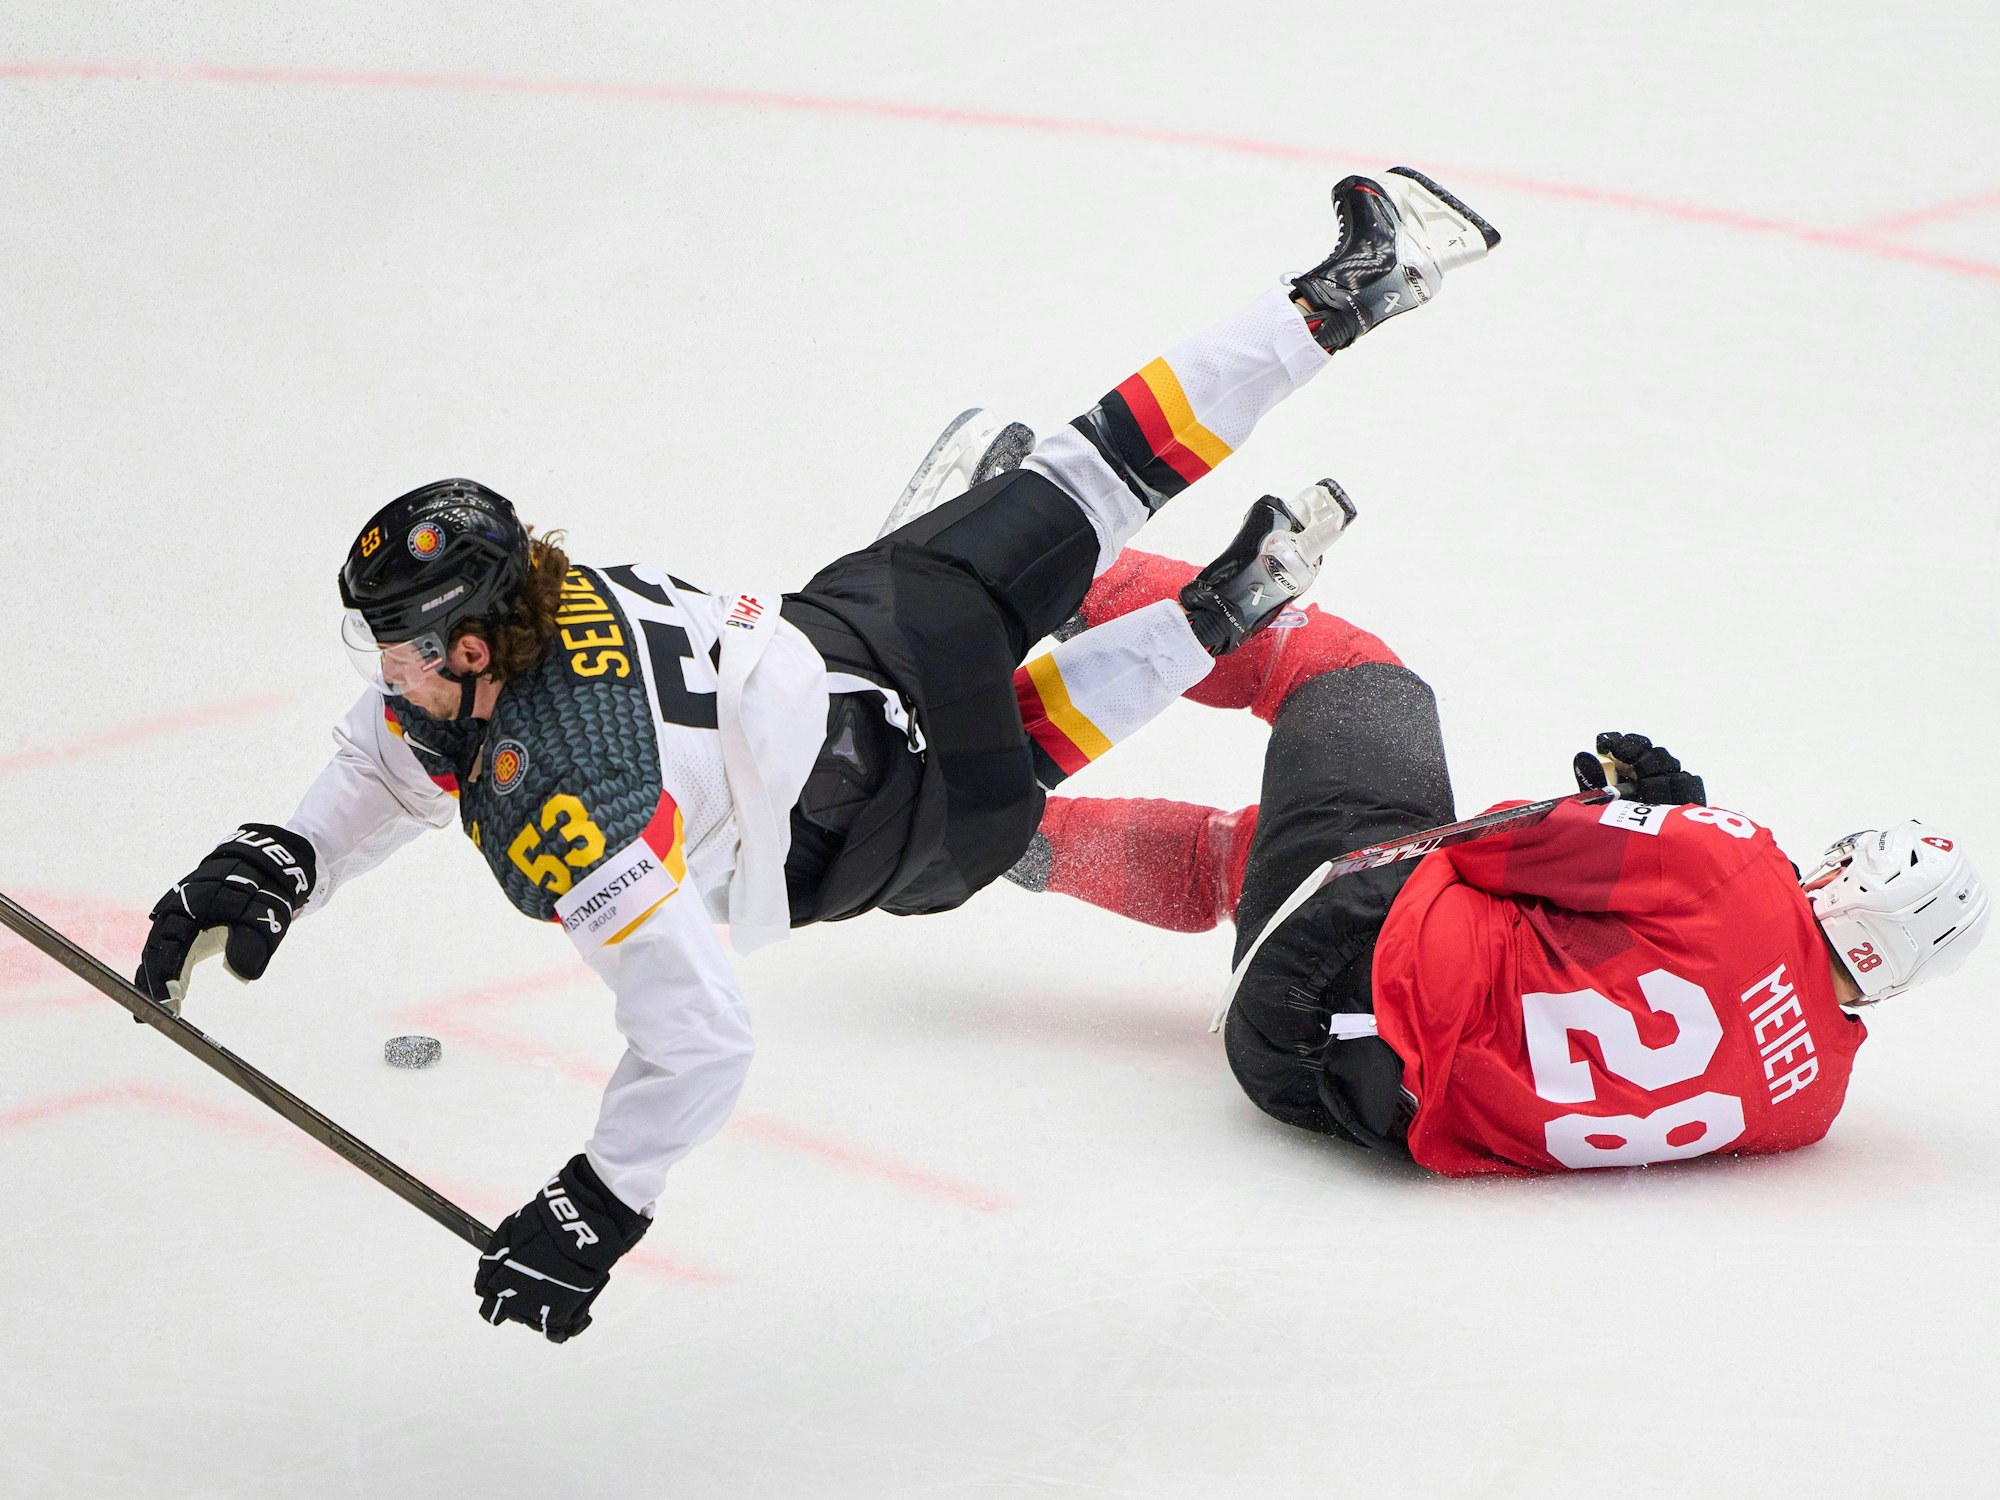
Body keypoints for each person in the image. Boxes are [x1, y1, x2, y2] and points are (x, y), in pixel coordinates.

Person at [129, 169, 1504, 1339]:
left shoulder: (566, 802)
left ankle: (1219, 614)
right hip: (859, 628)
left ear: (475, 648)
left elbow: (700, 1033)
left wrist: (601, 1202)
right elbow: (399, 752)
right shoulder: (553, 597)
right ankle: (1349, 293)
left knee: (1012, 792)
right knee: (1100, 465)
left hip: (868, 826)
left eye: (408, 648)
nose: (390, 672)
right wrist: (281, 857)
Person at [999, 543, 1993, 1175]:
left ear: (1857, 891)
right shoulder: (1811, 1106)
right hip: (1321, 1093)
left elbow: (1492, 845)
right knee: (1267, 850)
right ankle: (996, 828)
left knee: (1353, 679)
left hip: (1329, 951)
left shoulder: (1731, 868)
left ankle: (1024, 572)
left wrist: (1629, 819)